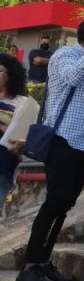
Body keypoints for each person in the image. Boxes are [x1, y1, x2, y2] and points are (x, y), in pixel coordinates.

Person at [16, 18, 84, 281]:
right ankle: (29, 267)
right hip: (62, 140)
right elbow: (72, 78)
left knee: (66, 204)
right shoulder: (64, 55)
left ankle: (44, 262)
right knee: (55, 201)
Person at [0, 54, 28, 212]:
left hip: (4, 164)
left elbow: (26, 134)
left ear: (10, 75)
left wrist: (23, 143)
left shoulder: (21, 103)